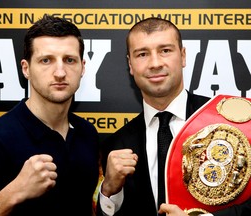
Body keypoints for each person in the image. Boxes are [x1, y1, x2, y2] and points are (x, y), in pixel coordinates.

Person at [97, 17, 251, 216]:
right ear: (131, 65)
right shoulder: (116, 145)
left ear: (183, 55)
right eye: (142, 54)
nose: (155, 63)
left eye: (165, 51)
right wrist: (110, 190)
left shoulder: (231, 122)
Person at [0, 14, 99, 215]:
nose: (60, 72)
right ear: (26, 69)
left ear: (82, 67)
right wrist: (13, 193)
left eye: (69, 60)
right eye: (46, 60)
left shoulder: (87, 133)